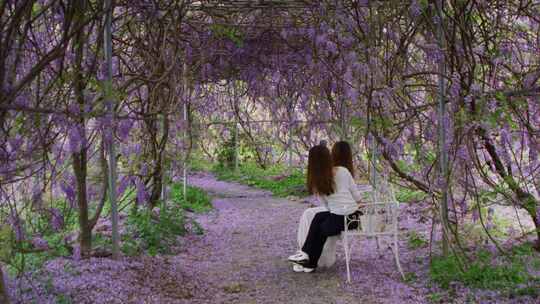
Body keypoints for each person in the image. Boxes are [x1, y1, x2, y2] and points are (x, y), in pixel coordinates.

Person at [289, 144, 363, 272]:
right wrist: (359, 205)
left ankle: (307, 258)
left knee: (322, 227)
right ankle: (308, 261)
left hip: (346, 219)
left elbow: (327, 206)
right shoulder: (343, 171)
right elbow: (356, 195)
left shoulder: (318, 181)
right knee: (318, 217)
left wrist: (336, 210)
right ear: (328, 158)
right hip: (354, 216)